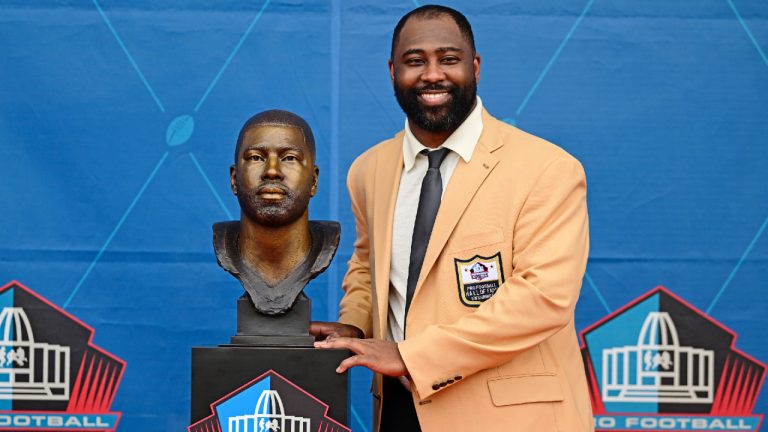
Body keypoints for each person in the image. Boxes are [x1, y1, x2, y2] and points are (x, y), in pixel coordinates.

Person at [312, 5, 593, 431]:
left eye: (448, 58)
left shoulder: (548, 168)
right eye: (414, 61)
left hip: (512, 418)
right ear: (392, 71)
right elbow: (370, 270)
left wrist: (409, 356)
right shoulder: (369, 170)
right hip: (400, 411)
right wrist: (354, 323)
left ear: (474, 66)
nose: (432, 74)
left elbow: (543, 300)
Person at [215, 109, 339, 316]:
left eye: (289, 158)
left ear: (314, 181)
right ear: (234, 179)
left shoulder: (326, 245)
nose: (272, 171)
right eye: (256, 157)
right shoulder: (225, 247)